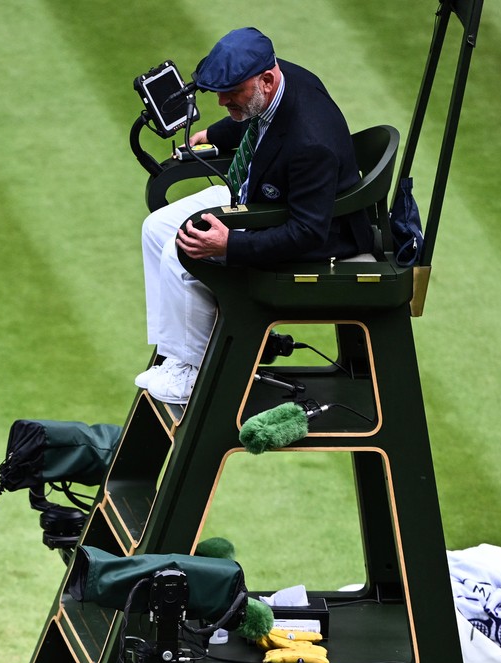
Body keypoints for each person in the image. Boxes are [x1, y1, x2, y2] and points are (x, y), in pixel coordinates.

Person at [135, 28, 369, 405]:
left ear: (266, 79)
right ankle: (177, 355)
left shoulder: (311, 141)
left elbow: (308, 231)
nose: (223, 100)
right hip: (258, 196)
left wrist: (230, 244)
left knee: (183, 251)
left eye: (231, 92)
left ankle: (197, 372)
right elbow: (252, 114)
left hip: (313, 234)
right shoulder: (275, 82)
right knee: (156, 229)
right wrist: (215, 133)